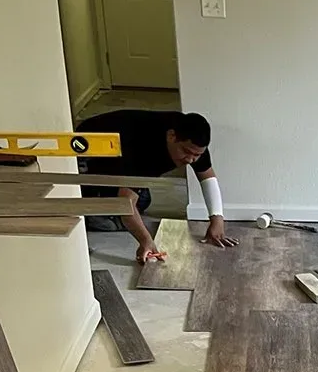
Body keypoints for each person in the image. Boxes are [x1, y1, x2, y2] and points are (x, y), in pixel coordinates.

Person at [78, 109, 238, 264]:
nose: (190, 160)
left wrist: (217, 221)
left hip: (123, 144)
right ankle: (93, 208)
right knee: (111, 214)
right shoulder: (144, 151)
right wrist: (146, 241)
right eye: (186, 152)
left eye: (196, 155)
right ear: (171, 136)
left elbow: (207, 178)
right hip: (88, 146)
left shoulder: (192, 141)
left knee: (143, 200)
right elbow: (125, 203)